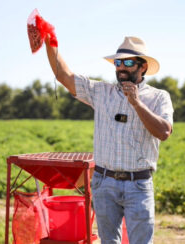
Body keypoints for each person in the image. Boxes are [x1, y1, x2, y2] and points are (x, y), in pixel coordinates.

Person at [44, 36, 173, 244]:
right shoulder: (101, 92)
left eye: (128, 62)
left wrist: (137, 103)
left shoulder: (159, 97)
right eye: (118, 62)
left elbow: (164, 132)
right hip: (104, 182)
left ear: (143, 67)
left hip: (138, 184)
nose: (121, 67)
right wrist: (50, 42)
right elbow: (63, 75)